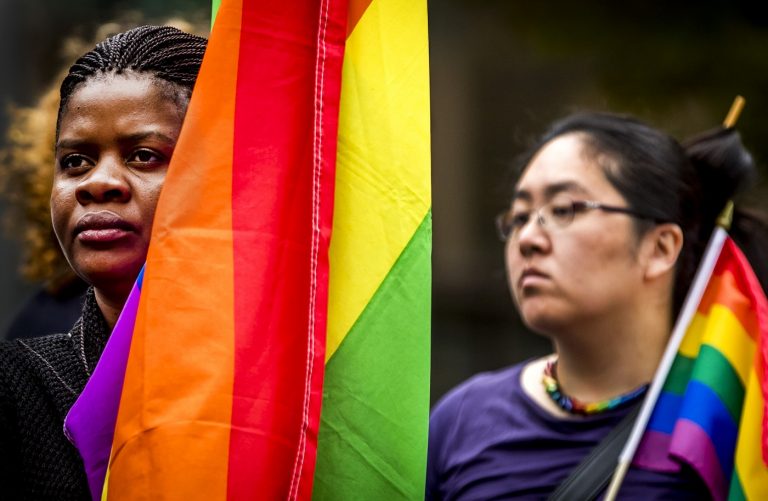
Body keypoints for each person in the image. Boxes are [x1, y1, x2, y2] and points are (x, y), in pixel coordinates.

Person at [426, 112, 768, 499]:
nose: (527, 239)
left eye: (564, 209)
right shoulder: (463, 420)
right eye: (519, 217)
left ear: (660, 247)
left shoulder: (725, 422)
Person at [0, 25, 207, 498]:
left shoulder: (314, 397)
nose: (97, 183)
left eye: (143, 155)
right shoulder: (16, 391)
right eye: (75, 161)